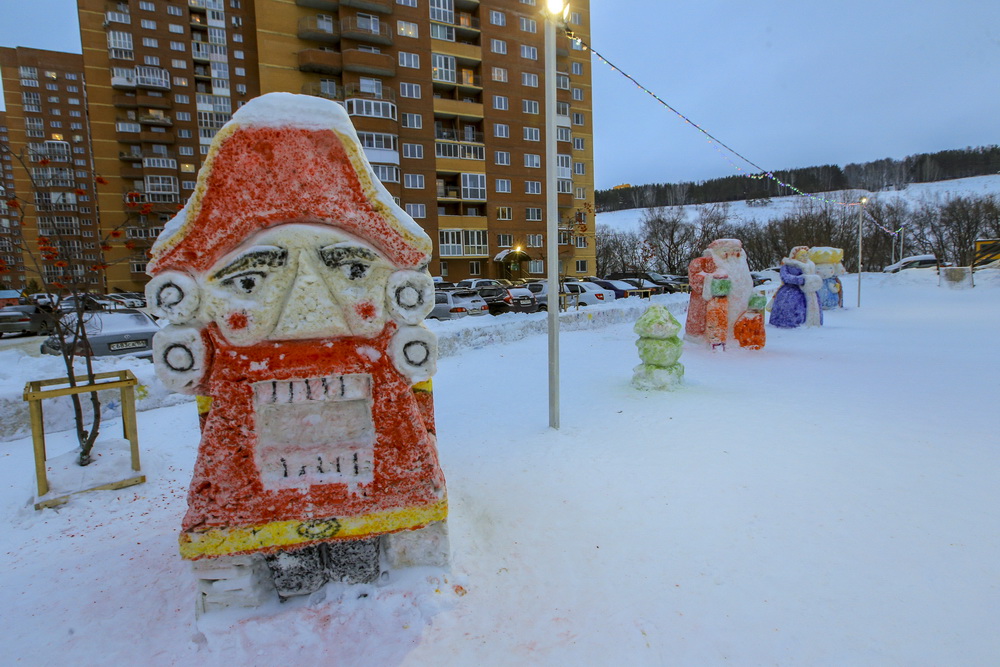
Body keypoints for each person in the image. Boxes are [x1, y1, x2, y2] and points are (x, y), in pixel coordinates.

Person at [769, 246, 822, 328]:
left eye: (806, 255)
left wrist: (813, 281)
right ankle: (789, 323)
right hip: (790, 291)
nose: (804, 258)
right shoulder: (787, 265)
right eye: (801, 255)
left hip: (809, 292)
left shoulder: (810, 265)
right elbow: (785, 277)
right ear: (794, 256)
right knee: (791, 307)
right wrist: (800, 279)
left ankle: (811, 323)